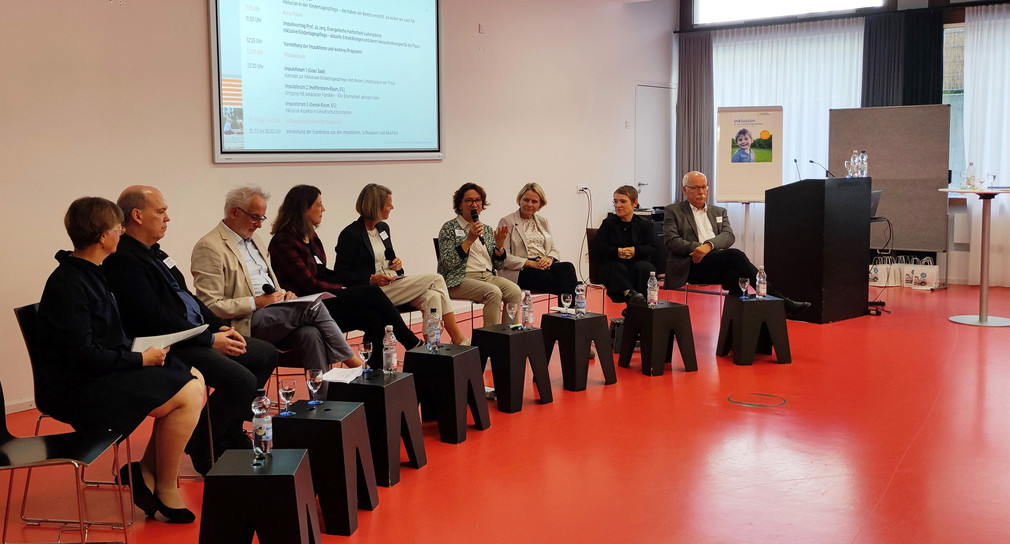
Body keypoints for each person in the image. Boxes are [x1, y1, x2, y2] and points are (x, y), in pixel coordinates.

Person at [35, 197, 204, 523]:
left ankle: (148, 473)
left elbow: (107, 338)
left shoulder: (91, 272)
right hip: (78, 388)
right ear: (102, 236)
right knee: (188, 393)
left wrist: (145, 355)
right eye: (117, 227)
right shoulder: (69, 283)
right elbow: (83, 355)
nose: (122, 231)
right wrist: (140, 359)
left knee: (194, 376)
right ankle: (165, 487)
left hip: (99, 373)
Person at [103, 186, 278, 475]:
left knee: (265, 354)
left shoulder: (156, 253)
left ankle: (222, 432)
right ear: (137, 215)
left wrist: (218, 326)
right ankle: (204, 445)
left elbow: (189, 297)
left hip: (193, 334)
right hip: (167, 344)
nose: (168, 218)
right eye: (160, 211)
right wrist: (210, 339)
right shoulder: (123, 260)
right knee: (242, 380)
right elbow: (153, 318)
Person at [190, 186, 363, 394]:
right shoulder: (210, 247)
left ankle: (323, 404)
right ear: (234, 212)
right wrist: (258, 302)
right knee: (313, 307)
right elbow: (211, 307)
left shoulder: (255, 240)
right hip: (244, 322)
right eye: (255, 217)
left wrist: (284, 294)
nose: (259, 225)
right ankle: (354, 362)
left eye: (262, 218)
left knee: (311, 333)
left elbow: (268, 280)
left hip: (273, 311)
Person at [268, 184, 425, 365]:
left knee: (374, 316)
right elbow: (308, 284)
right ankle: (412, 342)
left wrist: (343, 285)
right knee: (371, 292)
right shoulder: (283, 241)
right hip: (307, 306)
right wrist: (342, 288)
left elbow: (323, 272)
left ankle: (375, 375)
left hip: (324, 300)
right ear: (304, 208)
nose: (323, 209)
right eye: (319, 205)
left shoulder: (310, 236)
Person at [332, 183, 470, 345]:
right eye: (388, 204)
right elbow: (340, 275)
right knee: (437, 279)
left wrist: (396, 264)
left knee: (433, 297)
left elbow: (387, 259)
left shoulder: (383, 228)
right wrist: (371, 279)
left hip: (393, 283)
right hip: (373, 292)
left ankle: (431, 347)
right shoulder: (351, 234)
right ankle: (457, 337)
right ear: (376, 206)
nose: (392, 207)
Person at [663, 171, 811, 315]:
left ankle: (738, 331)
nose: (701, 191)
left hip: (715, 262)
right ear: (684, 190)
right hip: (691, 265)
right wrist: (699, 248)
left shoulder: (719, 211)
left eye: (704, 187)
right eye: (696, 188)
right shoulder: (674, 210)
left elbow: (728, 236)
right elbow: (671, 241)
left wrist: (708, 246)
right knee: (735, 256)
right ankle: (780, 300)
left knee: (736, 277)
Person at [436, 183, 522, 327]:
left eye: (478, 200)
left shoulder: (486, 229)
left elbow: (499, 265)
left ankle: (509, 338)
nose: (474, 204)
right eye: (469, 201)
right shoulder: (449, 228)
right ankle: (491, 342)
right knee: (493, 293)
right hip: (459, 279)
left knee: (515, 291)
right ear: (460, 204)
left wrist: (499, 247)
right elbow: (448, 263)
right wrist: (469, 240)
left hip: (488, 276)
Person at [497, 182, 578, 301]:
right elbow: (504, 258)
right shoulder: (507, 221)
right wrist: (531, 263)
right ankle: (567, 315)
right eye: (526, 200)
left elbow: (554, 249)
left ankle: (566, 315)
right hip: (521, 269)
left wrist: (549, 259)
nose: (529, 204)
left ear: (540, 204)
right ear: (519, 200)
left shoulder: (542, 221)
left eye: (534, 202)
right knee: (567, 283)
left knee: (568, 267)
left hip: (542, 265)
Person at [593, 185, 656, 306]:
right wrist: (617, 251)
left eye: (623, 201)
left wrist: (635, 251)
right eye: (615, 202)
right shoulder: (608, 223)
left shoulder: (644, 224)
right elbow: (599, 247)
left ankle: (641, 303)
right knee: (616, 268)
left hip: (636, 261)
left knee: (645, 268)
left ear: (635, 203)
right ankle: (630, 296)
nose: (618, 205)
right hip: (612, 262)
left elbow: (652, 247)